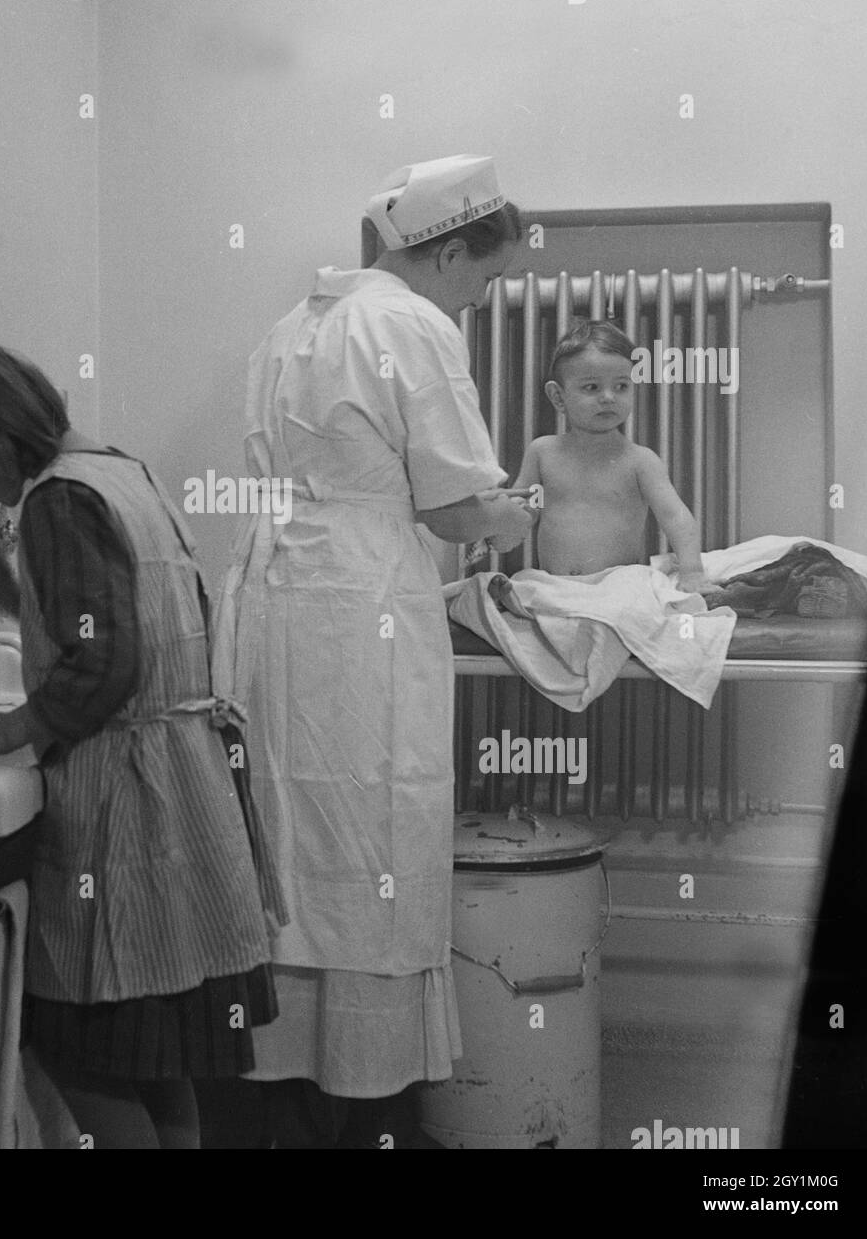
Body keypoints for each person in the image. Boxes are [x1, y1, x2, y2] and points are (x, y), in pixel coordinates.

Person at [213, 154, 535, 1147]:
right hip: (355, 607)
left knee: (289, 828)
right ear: (444, 252)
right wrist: (511, 518)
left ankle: (287, 1097)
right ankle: (364, 1106)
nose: (479, 300)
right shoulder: (411, 322)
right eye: (481, 280)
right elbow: (446, 498)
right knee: (370, 823)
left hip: (277, 596)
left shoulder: (296, 324)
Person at [0, 340, 280, 1149]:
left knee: (81, 1046)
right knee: (153, 1053)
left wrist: (4, 728)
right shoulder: (117, 470)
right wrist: (7, 588)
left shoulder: (56, 502)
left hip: (128, 799)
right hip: (185, 781)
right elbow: (126, 615)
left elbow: (106, 662)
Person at [504, 320, 713, 593]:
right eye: (592, 387)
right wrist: (503, 526)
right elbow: (529, 508)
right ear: (558, 397)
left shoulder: (639, 461)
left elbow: (675, 517)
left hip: (616, 586)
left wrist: (692, 571)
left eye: (621, 386)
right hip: (554, 584)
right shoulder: (543, 452)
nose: (608, 397)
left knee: (637, 606)